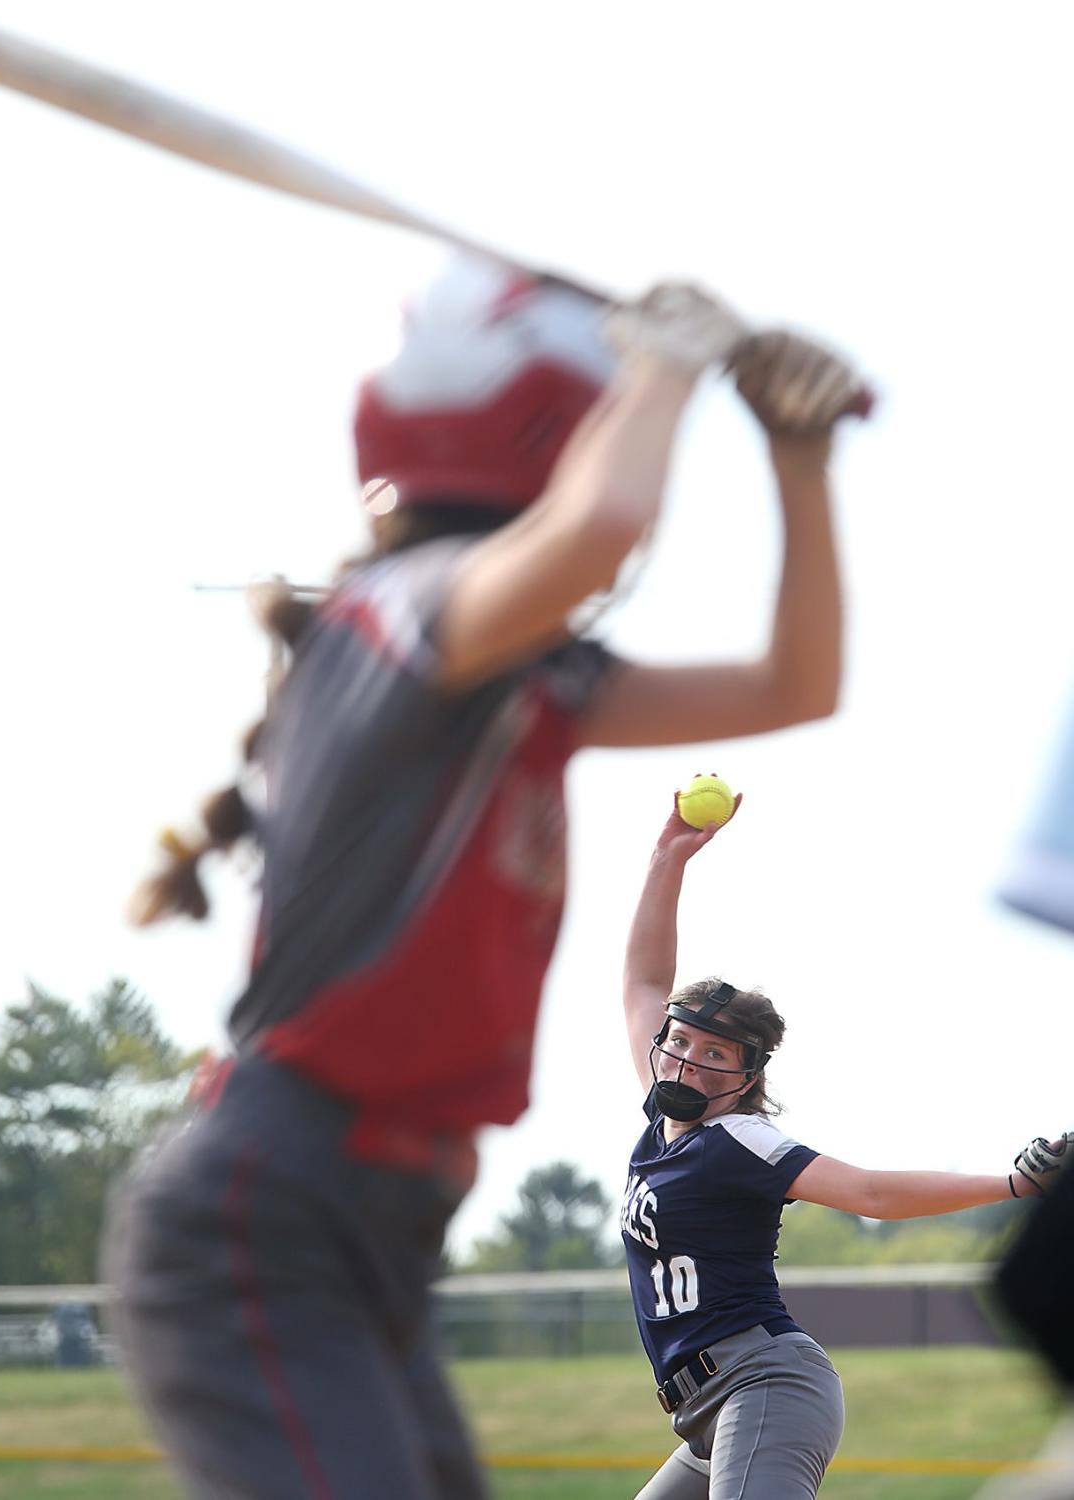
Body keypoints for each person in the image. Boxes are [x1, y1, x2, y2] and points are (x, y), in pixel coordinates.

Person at [104, 254, 866, 1500]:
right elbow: (602, 529)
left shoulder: (512, 682)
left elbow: (798, 683)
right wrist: (667, 366)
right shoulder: (399, 616)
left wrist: (798, 456)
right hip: (269, 1205)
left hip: (373, 1221)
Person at [620, 796, 1070, 1500]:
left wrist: (1013, 1186)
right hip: (703, 1412)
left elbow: (870, 1195)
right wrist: (666, 860)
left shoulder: (738, 1137)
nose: (688, 1060)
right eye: (681, 1041)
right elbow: (645, 981)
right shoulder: (663, 1122)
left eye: (716, 1053)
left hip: (764, 1385)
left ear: (747, 1078)